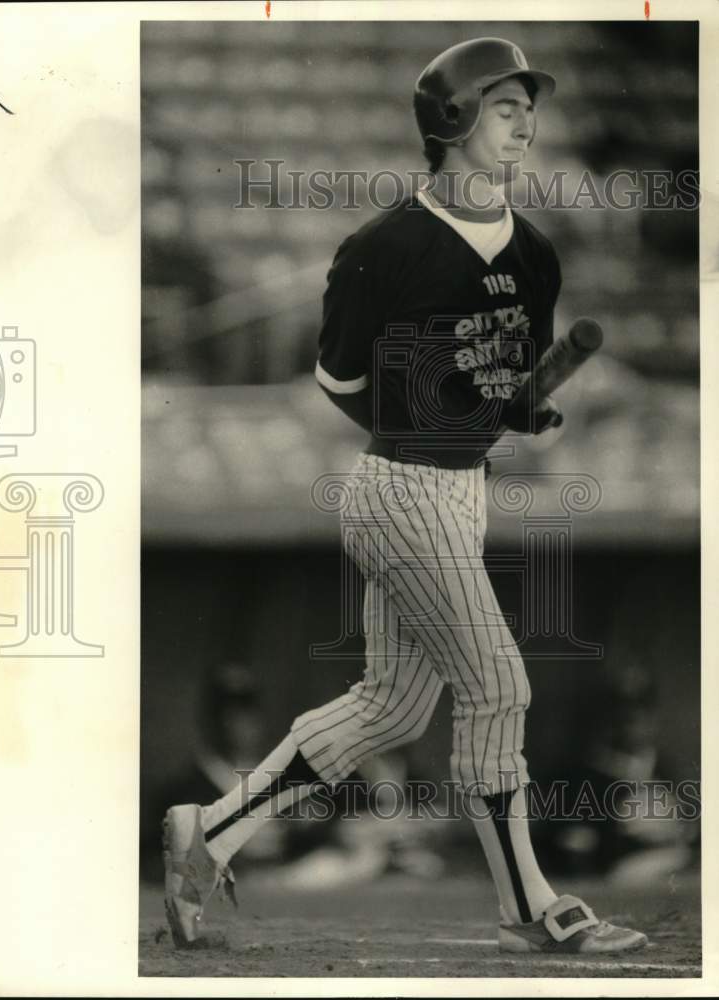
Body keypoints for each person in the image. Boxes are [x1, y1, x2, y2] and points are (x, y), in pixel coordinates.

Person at [162, 37, 648, 955]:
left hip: (463, 491)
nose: (525, 121)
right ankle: (529, 909)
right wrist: (440, 414)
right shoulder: (384, 246)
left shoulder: (535, 254)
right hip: (399, 487)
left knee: (390, 707)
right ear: (454, 118)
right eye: (504, 106)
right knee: (500, 683)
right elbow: (339, 383)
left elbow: (509, 382)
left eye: (527, 106)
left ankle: (211, 833)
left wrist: (514, 411)